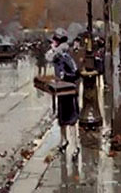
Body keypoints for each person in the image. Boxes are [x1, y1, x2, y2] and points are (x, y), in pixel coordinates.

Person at [46, 29, 80, 160]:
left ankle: (75, 146)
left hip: (69, 91)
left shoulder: (64, 56)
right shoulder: (56, 55)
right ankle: (63, 141)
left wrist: (65, 76)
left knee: (71, 120)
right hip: (61, 90)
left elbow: (75, 72)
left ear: (59, 42)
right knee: (62, 119)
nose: (52, 43)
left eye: (54, 41)